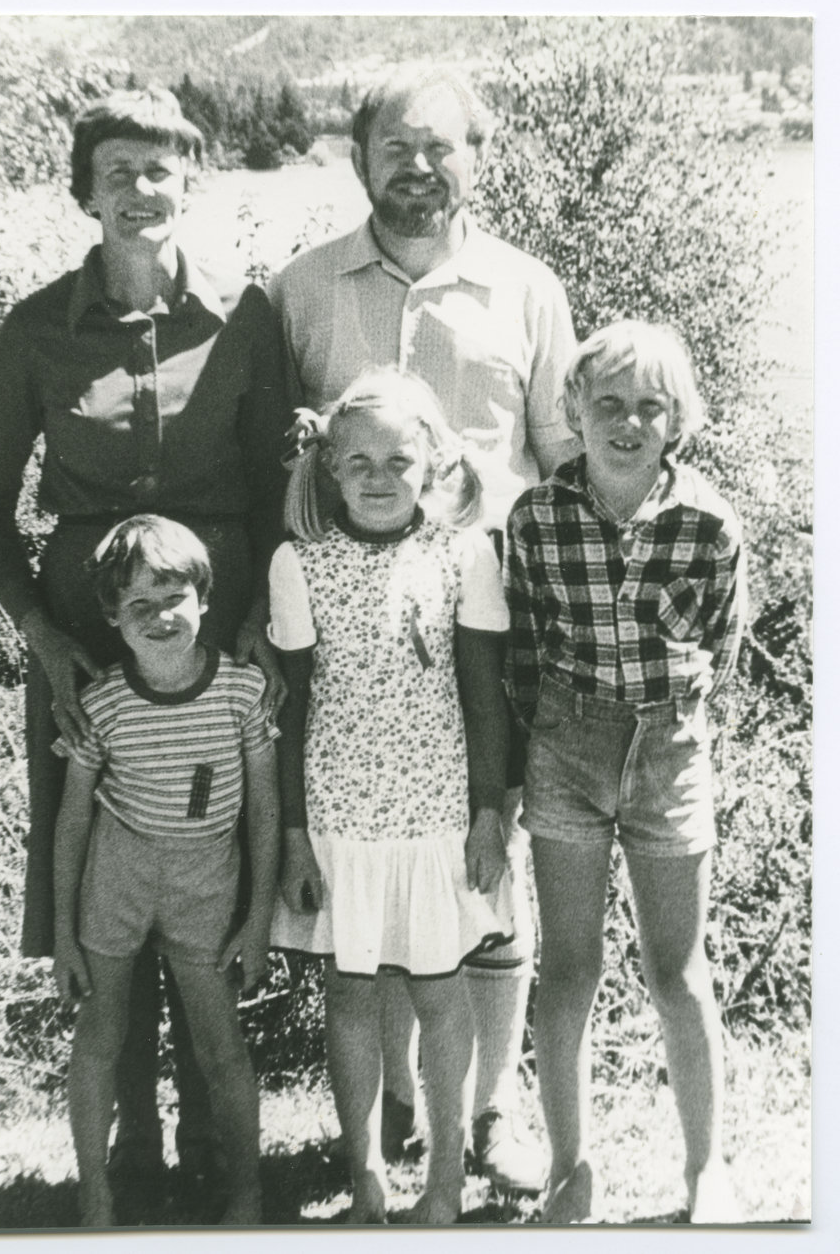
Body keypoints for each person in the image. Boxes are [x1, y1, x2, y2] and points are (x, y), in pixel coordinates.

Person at [0, 88, 289, 1196]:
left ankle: (214, 1148)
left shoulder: (247, 317)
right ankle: (130, 1150)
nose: (141, 190)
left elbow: (278, 483)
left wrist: (256, 625)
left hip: (219, 632)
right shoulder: (36, 331)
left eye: (161, 168)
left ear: (190, 182)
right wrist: (45, 637)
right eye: (119, 171)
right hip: (87, 639)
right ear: (83, 190)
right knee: (102, 859)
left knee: (212, 850)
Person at [267, 67, 576, 1193]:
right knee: (383, 885)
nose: (417, 166)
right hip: (355, 645)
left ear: (477, 158)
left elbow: (564, 456)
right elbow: (281, 464)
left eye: (440, 146)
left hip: (501, 623)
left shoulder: (526, 289)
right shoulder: (300, 291)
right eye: (395, 146)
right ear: (360, 161)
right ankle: (401, 1109)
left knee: (492, 877)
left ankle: (487, 1114)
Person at [504, 321, 747, 1224]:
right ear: (573, 410)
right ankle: (571, 1168)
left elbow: (721, 647)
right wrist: (542, 747)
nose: (627, 421)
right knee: (567, 966)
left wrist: (666, 729)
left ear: (677, 418)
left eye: (650, 406)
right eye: (608, 403)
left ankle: (705, 1168)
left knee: (676, 968)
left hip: (667, 749)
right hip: (566, 744)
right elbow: (525, 650)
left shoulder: (709, 522)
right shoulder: (536, 516)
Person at [269, 367, 513, 1224]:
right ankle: (366, 1177)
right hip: (341, 826)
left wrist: (492, 816)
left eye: (398, 460)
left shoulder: (465, 554)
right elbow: (291, 712)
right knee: (349, 995)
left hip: (440, 822)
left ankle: (443, 1183)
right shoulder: (297, 564)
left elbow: (487, 701)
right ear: (329, 466)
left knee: (441, 993)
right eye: (359, 460)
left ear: (432, 466)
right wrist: (294, 838)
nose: (378, 476)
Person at [52, 516, 279, 1226]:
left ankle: (244, 1195)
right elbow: (73, 821)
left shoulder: (242, 691)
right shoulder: (103, 703)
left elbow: (264, 813)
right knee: (101, 1034)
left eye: (171, 596)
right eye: (137, 605)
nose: (157, 618)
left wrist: (259, 919)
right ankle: (96, 1194)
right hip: (118, 869)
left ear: (204, 597)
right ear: (112, 618)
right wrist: (63, 931)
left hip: (205, 877)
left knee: (221, 1044)